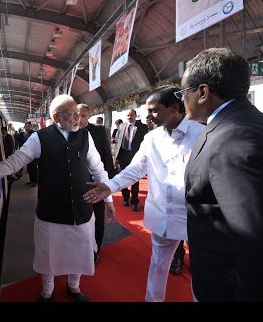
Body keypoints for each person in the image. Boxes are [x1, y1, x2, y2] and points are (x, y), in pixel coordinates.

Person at [0, 94, 115, 302]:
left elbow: (98, 169)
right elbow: (14, 163)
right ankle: (47, 290)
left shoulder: (85, 137)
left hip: (81, 210)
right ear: (57, 116)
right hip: (50, 211)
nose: (77, 118)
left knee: (80, 251)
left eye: (79, 114)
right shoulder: (40, 138)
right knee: (48, 255)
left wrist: (108, 200)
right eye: (72, 114)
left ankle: (74, 287)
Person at [83, 87, 205, 302]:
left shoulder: (201, 135)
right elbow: (135, 169)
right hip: (162, 215)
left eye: (154, 111)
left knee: (203, 273)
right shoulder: (152, 138)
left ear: (174, 108)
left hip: (196, 217)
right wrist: (110, 186)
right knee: (158, 265)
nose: (148, 116)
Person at [181, 47, 263, 301]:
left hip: (225, 288)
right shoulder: (242, 122)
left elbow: (254, 238)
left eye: (183, 92)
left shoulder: (232, 139)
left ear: (202, 92)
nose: (182, 99)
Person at [78, 104, 115, 265]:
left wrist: (110, 184)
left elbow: (106, 155)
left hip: (97, 182)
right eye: (76, 114)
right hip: (78, 182)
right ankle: (80, 247)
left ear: (89, 115)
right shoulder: (68, 131)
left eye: (83, 115)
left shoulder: (98, 131)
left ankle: (95, 249)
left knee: (98, 216)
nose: (78, 119)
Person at [115, 109, 148, 212]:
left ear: (136, 115)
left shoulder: (142, 127)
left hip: (135, 156)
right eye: (128, 115)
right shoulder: (121, 126)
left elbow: (145, 142)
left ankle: (135, 201)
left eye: (132, 115)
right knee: (123, 177)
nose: (130, 117)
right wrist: (116, 158)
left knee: (135, 179)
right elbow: (118, 142)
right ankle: (125, 198)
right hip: (123, 156)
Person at [22, 122, 38, 187]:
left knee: (34, 169)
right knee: (29, 169)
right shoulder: (25, 134)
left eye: (29, 126)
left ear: (31, 127)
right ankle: (31, 180)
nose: (27, 128)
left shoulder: (34, 134)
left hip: (34, 155)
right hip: (27, 154)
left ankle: (35, 182)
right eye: (26, 126)